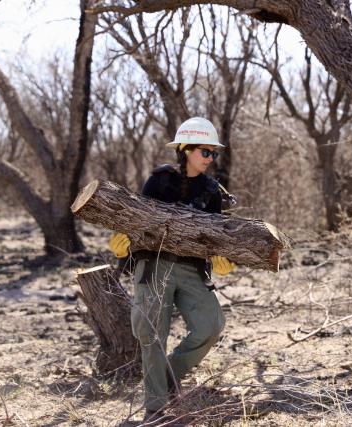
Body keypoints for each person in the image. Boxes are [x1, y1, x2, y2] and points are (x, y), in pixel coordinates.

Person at [108, 117, 235, 423]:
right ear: (185, 149)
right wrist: (124, 237)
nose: (210, 159)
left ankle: (164, 380)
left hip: (191, 269)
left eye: (213, 154)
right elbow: (137, 220)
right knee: (151, 333)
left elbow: (214, 235)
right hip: (154, 266)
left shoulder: (212, 192)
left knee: (212, 324)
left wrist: (223, 256)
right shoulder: (159, 182)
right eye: (205, 152)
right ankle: (155, 410)